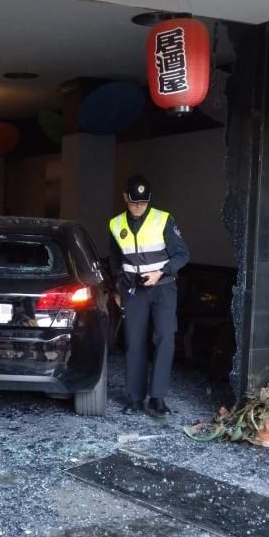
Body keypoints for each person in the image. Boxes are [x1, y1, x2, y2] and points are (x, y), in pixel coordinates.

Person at [108, 174, 190, 418]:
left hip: (163, 287)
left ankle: (157, 397)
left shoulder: (163, 219)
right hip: (133, 290)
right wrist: (117, 290)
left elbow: (182, 255)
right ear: (125, 198)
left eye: (142, 203)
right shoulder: (115, 224)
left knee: (165, 336)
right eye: (133, 202)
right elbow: (115, 261)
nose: (138, 207)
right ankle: (134, 398)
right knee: (134, 342)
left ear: (149, 200)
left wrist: (160, 272)